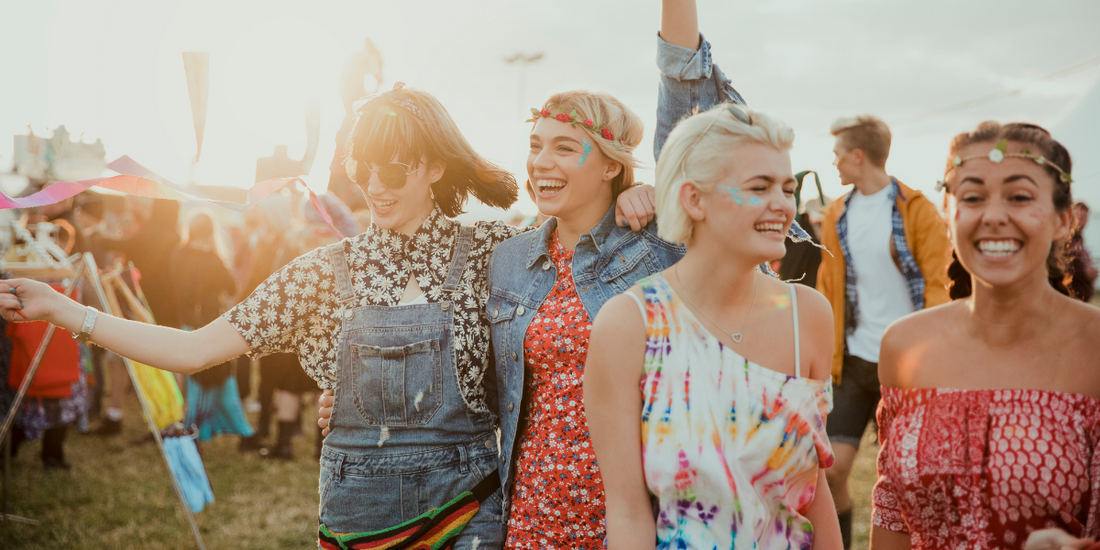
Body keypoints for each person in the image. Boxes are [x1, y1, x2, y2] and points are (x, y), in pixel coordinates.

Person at [0, 83, 651, 548]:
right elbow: (193, 349)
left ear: (430, 167)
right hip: (356, 521)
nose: (374, 183)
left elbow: (585, 241)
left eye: (392, 165)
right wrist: (66, 311)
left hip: (467, 515)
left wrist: (639, 197)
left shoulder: (494, 255)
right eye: (362, 166)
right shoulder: (321, 272)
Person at [872, 122, 1100, 549]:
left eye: (1019, 197)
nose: (994, 216)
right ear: (948, 210)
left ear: (1062, 219)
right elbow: (891, 512)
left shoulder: (1095, 349)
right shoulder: (904, 345)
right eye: (973, 197)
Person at [488, 90, 682, 549]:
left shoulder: (659, 248)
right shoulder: (509, 259)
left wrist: (667, 196)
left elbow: (750, 282)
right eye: (536, 145)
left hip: (639, 511)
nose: (540, 162)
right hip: (536, 508)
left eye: (565, 148)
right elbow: (477, 381)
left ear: (612, 165)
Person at [816, 115, 952, 548]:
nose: (834, 162)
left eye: (838, 154)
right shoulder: (836, 212)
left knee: (907, 477)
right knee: (832, 468)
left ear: (859, 156)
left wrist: (933, 351)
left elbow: (939, 282)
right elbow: (829, 284)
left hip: (908, 363)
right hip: (853, 358)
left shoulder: (917, 208)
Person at [168, 210, 252, 443]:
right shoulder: (212, 259)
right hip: (208, 325)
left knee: (195, 378)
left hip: (185, 322)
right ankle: (201, 427)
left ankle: (194, 423)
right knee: (213, 377)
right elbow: (231, 285)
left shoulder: (177, 253)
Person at [1067, 201, 1097, 302]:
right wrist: (1084, 272)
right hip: (1068, 299)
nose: (1081, 222)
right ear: (1070, 215)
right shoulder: (1063, 238)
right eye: (1079, 217)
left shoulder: (1078, 239)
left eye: (1085, 218)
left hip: (1078, 301)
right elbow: (1058, 267)